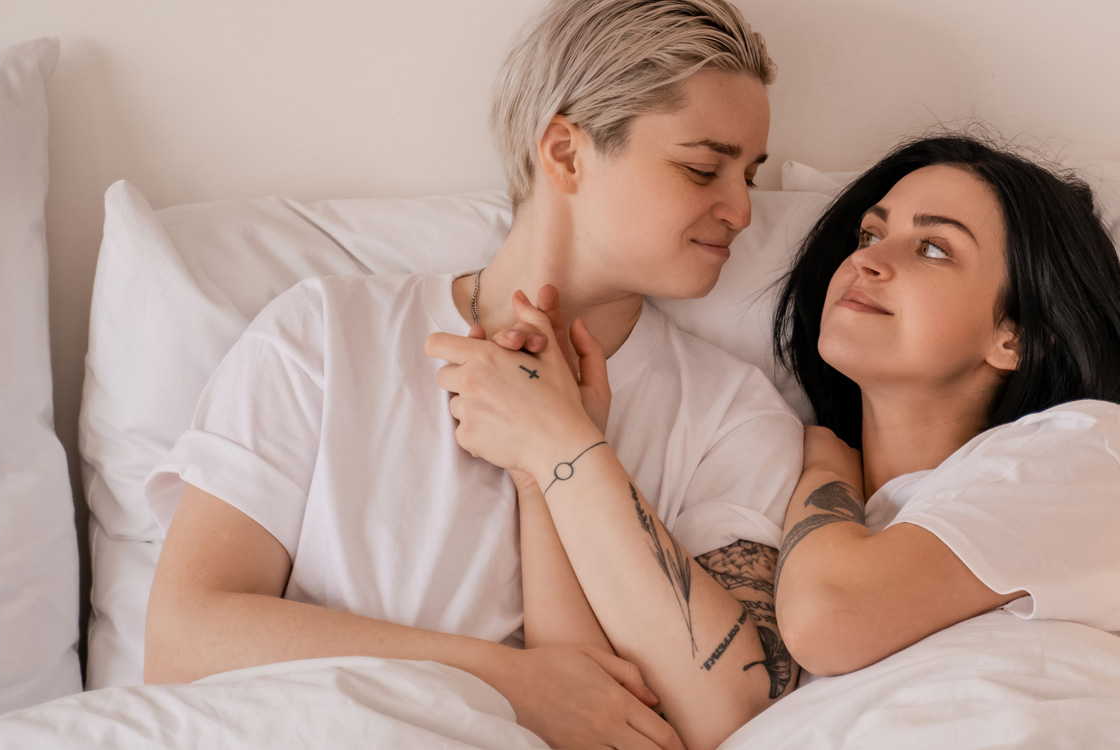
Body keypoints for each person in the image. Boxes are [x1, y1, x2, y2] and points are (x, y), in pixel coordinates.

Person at [140, 1, 801, 748]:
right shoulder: (326, 335)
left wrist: (560, 448)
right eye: (703, 168)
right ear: (565, 153)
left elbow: (731, 714)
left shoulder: (735, 414)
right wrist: (510, 684)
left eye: (750, 174)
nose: (743, 210)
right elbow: (182, 640)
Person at [764, 135, 1120, 680]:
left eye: (933, 247)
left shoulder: (1086, 452)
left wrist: (828, 468)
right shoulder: (765, 477)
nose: (866, 259)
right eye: (870, 233)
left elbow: (828, 619)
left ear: (1016, 337)